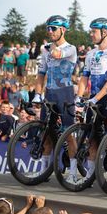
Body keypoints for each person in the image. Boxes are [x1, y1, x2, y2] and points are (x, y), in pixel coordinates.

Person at [65, 18, 107, 185]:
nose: (91, 34)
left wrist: (96, 98)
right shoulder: (90, 54)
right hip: (92, 100)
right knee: (92, 139)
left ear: (104, 33)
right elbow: (84, 78)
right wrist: (79, 97)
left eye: (94, 31)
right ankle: (90, 175)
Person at [32, 15, 77, 175]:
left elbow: (57, 54)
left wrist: (47, 47)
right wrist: (38, 94)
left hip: (65, 95)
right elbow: (40, 74)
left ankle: (73, 173)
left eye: (53, 28)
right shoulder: (45, 50)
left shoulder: (71, 48)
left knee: (68, 134)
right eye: (48, 28)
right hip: (49, 94)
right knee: (46, 134)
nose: (49, 31)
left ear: (63, 30)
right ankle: (43, 171)